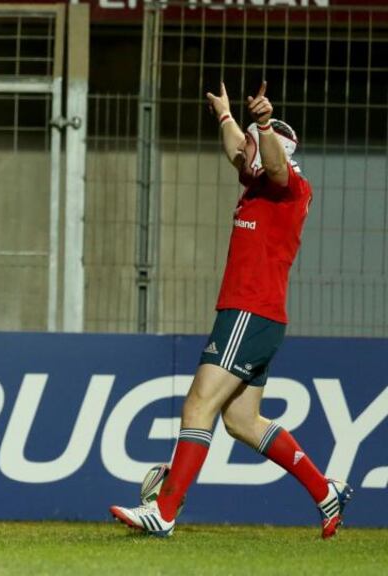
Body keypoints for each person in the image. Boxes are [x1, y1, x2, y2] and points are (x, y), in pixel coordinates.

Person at [109, 82, 352, 539]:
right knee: (241, 420)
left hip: (249, 312)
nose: (246, 150)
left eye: (255, 144)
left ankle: (164, 511)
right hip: (258, 316)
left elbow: (275, 163)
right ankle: (326, 493)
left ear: (277, 147)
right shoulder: (256, 182)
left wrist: (263, 124)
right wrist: (225, 116)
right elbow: (238, 151)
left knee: (199, 402)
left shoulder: (289, 186)